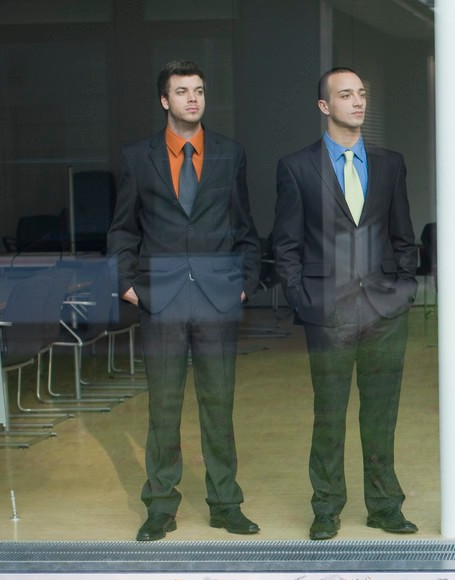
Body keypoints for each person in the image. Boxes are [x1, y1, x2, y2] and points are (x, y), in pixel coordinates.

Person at [108, 59, 262, 542]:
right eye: (181, 91)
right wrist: (127, 286)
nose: (192, 98)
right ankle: (160, 507)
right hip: (162, 300)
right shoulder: (138, 157)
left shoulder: (229, 154)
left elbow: (245, 228)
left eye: (198, 90)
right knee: (164, 408)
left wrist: (244, 283)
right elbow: (123, 229)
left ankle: (225, 503)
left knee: (219, 406)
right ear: (164, 100)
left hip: (217, 299)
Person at [271, 67, 419, 541]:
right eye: (345, 95)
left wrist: (402, 289)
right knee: (329, 413)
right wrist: (304, 300)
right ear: (324, 106)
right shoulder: (296, 167)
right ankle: (327, 507)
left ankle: (384, 506)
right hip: (328, 311)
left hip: (384, 310)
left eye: (361, 94)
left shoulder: (390, 163)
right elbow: (286, 244)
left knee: (382, 413)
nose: (358, 102)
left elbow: (403, 235)